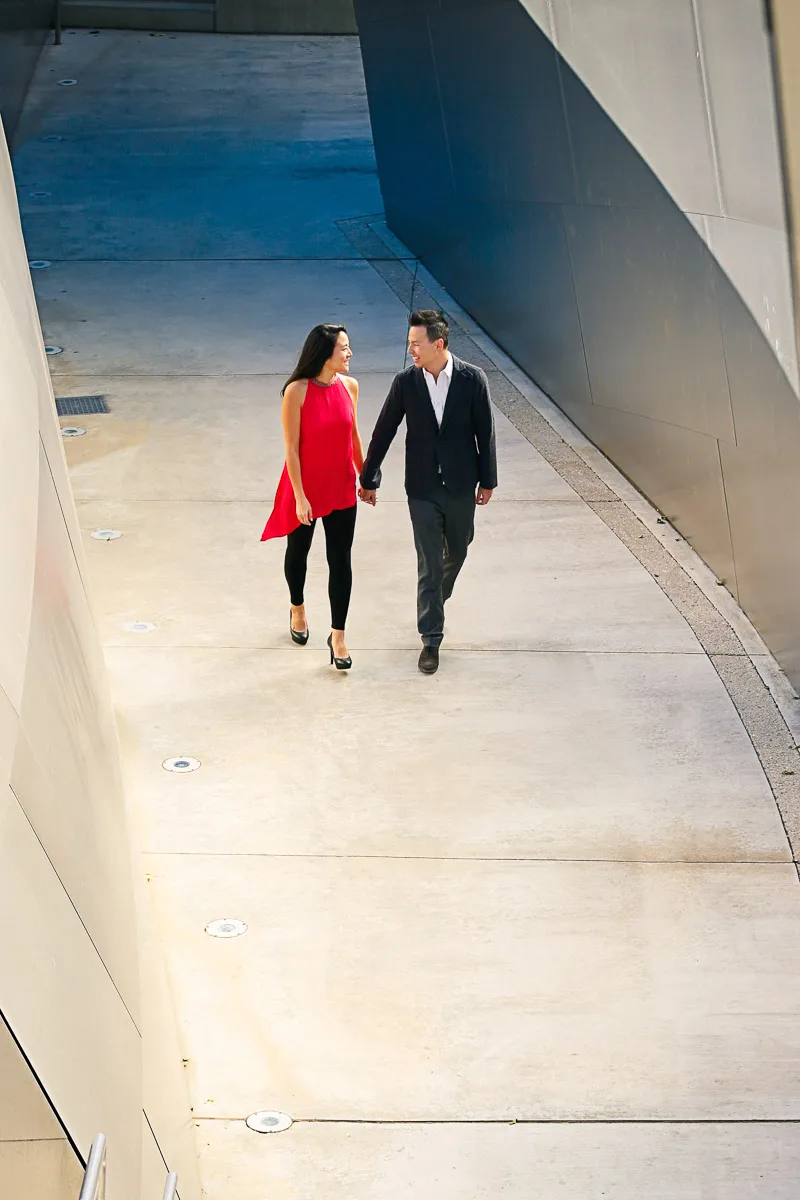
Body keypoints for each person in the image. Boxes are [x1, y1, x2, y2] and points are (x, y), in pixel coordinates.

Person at [359, 310, 497, 675]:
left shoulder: (472, 379)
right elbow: (383, 430)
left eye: (416, 344)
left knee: (460, 546)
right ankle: (431, 638)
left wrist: (488, 480)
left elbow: (485, 432)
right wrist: (368, 477)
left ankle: (434, 598)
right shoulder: (405, 383)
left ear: (438, 344)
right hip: (421, 486)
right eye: (409, 344)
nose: (411, 351)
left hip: (461, 483)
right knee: (430, 560)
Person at [261, 324, 364, 670]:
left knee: (341, 561)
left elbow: (353, 436)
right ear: (325, 353)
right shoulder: (297, 391)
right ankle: (297, 607)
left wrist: (366, 477)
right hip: (303, 486)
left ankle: (338, 636)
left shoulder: (350, 386)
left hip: (340, 486)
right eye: (344, 348)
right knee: (298, 551)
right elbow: (290, 448)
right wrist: (301, 498)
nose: (349, 354)